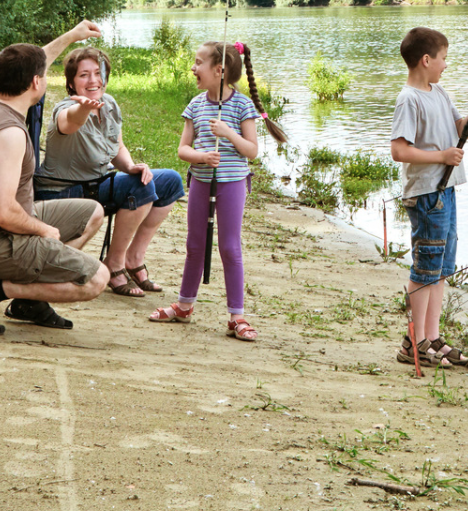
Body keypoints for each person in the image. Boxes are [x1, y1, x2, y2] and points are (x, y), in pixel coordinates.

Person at [0, 20, 111, 335]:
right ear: (36, 83)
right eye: (45, 77)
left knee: (92, 212)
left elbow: (36, 61)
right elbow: (2, 211)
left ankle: (30, 298)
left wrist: (71, 36)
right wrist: (43, 230)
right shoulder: (9, 134)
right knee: (96, 279)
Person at [148, 41, 286, 341]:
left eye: (199, 62)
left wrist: (228, 133)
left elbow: (252, 151)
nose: (194, 68)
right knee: (195, 245)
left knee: (229, 247)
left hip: (232, 184)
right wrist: (201, 157)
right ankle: (184, 305)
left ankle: (237, 316)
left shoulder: (241, 105)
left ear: (219, 70)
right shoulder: (196, 105)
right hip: (200, 182)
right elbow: (183, 149)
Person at [36, 47, 186, 298]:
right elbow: (69, 122)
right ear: (71, 82)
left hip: (97, 185)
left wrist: (130, 166)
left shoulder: (110, 104)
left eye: (98, 73)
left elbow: (117, 146)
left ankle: (133, 259)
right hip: (63, 193)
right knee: (139, 187)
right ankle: (113, 265)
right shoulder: (66, 108)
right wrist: (83, 108)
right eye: (84, 75)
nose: (93, 80)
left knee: (169, 180)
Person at [390, 26, 468, 371]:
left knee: (440, 269)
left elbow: (461, 130)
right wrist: (441, 157)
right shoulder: (409, 99)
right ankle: (413, 341)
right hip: (425, 194)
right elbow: (399, 151)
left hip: (445, 191)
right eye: (443, 59)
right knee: (425, 268)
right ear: (426, 60)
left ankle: (431, 337)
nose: (445, 65)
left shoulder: (439, 92)